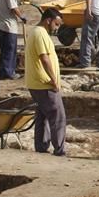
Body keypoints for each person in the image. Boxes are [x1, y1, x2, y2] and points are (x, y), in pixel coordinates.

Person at [26, 8, 66, 156]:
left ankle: (41, 146)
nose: (57, 28)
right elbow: (44, 58)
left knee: (42, 115)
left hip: (37, 83)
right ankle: (59, 149)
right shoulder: (40, 33)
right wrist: (53, 80)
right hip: (44, 84)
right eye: (56, 24)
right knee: (57, 116)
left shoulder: (37, 32)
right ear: (48, 20)